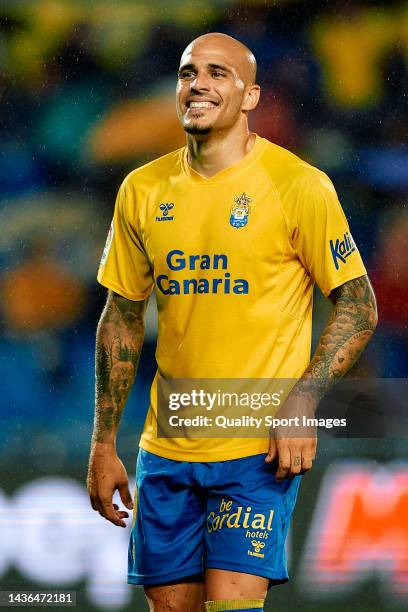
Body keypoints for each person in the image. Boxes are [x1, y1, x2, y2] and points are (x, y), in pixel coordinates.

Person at [87, 32, 377, 612]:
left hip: (256, 448)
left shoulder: (299, 186)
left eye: (219, 73)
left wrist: (303, 400)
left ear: (250, 97)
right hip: (166, 449)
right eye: (188, 71)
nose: (198, 83)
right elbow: (121, 315)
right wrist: (102, 442)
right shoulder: (142, 190)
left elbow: (359, 305)